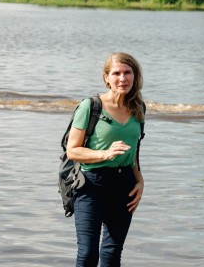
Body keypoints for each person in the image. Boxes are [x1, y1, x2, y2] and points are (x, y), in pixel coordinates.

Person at [66, 52, 145, 267]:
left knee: (111, 255)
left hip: (125, 186)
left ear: (135, 76)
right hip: (91, 184)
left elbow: (134, 152)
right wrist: (104, 154)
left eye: (128, 72)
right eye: (116, 73)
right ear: (106, 78)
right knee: (88, 254)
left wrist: (140, 181)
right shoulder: (90, 106)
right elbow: (72, 150)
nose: (123, 78)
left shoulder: (138, 108)